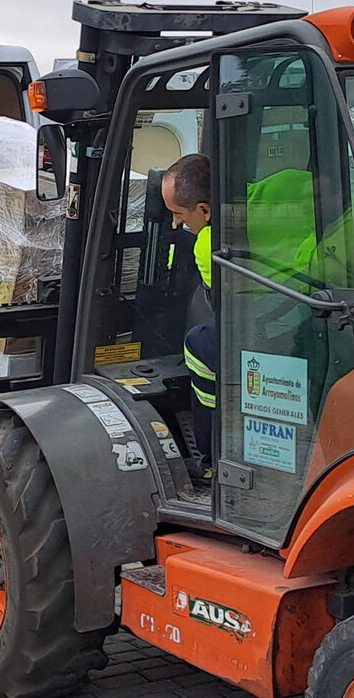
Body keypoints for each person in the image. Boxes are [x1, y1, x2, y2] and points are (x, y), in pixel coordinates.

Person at [162, 154, 216, 482]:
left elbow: (220, 303)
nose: (175, 224)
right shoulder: (272, 199)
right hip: (301, 318)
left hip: (265, 343)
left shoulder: (209, 244)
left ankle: (211, 458)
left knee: (198, 341)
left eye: (179, 214)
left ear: (205, 211)